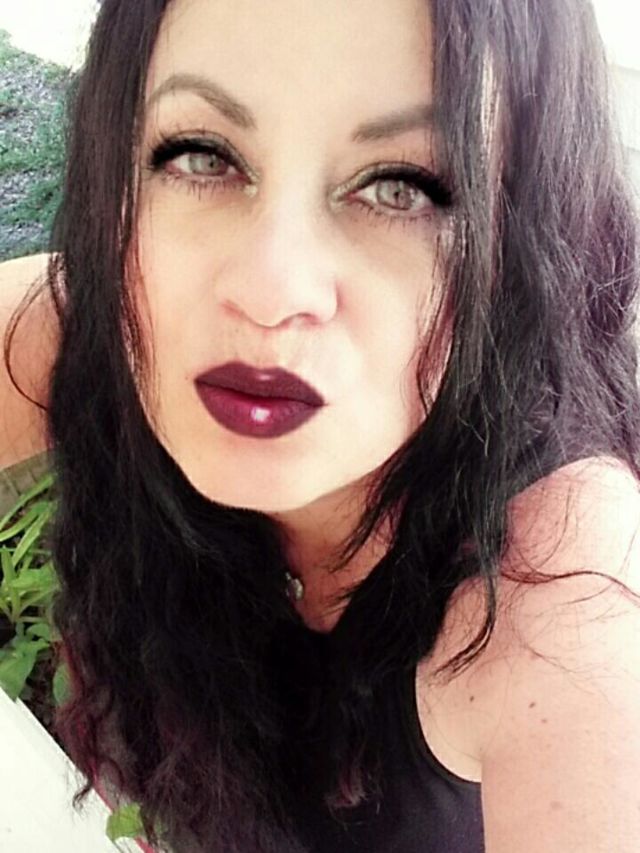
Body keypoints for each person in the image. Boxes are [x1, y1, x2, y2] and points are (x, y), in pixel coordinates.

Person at [1, 0, 640, 850]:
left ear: (520, 244)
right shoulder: (110, 328)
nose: (270, 290)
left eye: (400, 185)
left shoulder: (571, 602)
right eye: (201, 155)